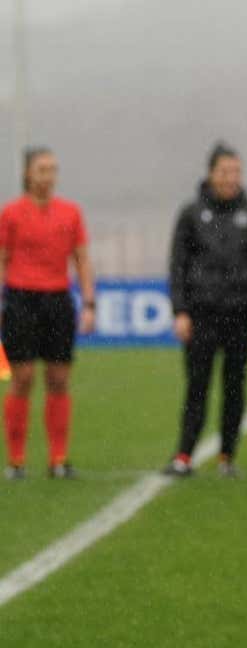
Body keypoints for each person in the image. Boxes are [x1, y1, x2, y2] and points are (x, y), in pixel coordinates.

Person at [165, 143, 247, 478]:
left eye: (236, 171)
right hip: (201, 315)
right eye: (225, 171)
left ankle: (227, 457)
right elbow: (178, 265)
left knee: (234, 387)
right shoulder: (191, 214)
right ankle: (183, 455)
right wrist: (180, 311)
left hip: (241, 315)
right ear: (211, 173)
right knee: (196, 387)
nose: (231, 178)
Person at [0, 147, 96, 480]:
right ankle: (16, 461)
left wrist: (88, 302)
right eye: (43, 169)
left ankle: (58, 459)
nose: (49, 176)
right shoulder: (11, 214)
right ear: (28, 174)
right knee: (22, 378)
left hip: (57, 301)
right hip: (21, 300)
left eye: (53, 169)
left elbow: (82, 259)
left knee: (58, 379)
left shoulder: (70, 213)